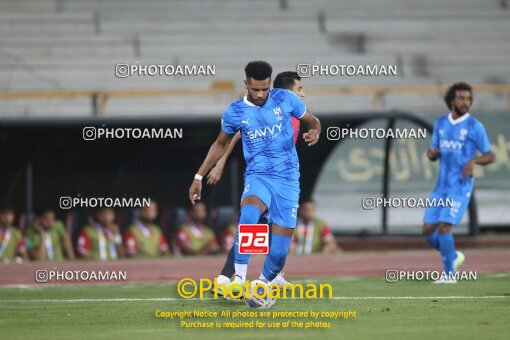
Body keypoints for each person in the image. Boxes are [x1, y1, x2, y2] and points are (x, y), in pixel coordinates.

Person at [188, 61, 321, 297]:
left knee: (279, 252)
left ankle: (261, 284)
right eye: (255, 89)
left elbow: (313, 121)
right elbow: (222, 143)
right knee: (249, 215)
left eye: (264, 89)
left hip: (288, 180)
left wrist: (316, 132)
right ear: (246, 84)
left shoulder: (286, 100)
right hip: (258, 175)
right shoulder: (235, 111)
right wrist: (199, 174)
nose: (260, 95)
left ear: (270, 84)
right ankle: (237, 278)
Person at [209, 71, 306, 289]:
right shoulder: (270, 110)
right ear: (287, 92)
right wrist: (220, 163)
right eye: (300, 89)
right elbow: (234, 134)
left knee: (268, 226)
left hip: (283, 177)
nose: (303, 93)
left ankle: (263, 275)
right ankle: (227, 278)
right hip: (263, 177)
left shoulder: (292, 113)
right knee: (252, 226)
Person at [423, 82, 494, 283]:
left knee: (445, 228)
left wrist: (474, 160)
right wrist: (431, 154)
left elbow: (490, 155)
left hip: (460, 187)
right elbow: (434, 152)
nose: (465, 102)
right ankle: (453, 256)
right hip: (441, 187)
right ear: (452, 100)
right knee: (428, 231)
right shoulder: (440, 123)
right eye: (462, 98)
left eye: (468, 99)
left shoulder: (475, 126)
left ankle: (449, 274)